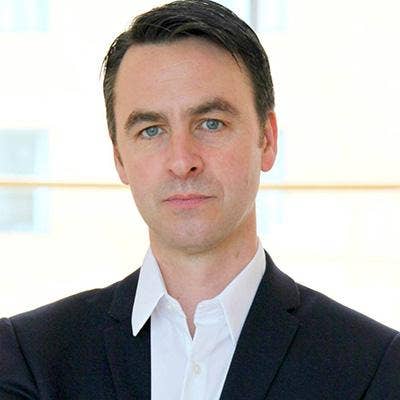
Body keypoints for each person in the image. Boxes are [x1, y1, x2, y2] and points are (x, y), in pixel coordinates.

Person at [0, 0, 399, 399]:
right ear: (120, 158)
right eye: (151, 130)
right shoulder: (30, 358)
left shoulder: (373, 367)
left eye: (211, 123)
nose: (182, 161)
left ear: (267, 140)